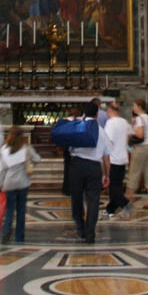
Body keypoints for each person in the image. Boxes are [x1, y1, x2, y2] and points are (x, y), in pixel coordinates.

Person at [66, 100, 111, 245]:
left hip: (77, 165)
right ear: (97, 115)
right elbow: (106, 157)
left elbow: (69, 148)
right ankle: (90, 234)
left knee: (76, 198)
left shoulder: (78, 126)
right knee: (93, 201)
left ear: (84, 113)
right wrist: (106, 175)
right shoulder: (101, 131)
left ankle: (80, 228)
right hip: (94, 167)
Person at [0, 126, 41, 243]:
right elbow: (37, 159)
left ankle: (6, 230)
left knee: (9, 209)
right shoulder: (26, 148)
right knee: (21, 210)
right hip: (23, 182)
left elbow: (1, 169)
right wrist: (30, 165)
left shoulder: (4, 149)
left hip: (9, 182)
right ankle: (19, 237)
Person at [101, 101, 131, 219]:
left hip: (113, 159)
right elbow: (129, 136)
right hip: (123, 158)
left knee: (113, 190)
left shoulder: (110, 123)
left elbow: (109, 142)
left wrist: (104, 158)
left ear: (110, 111)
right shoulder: (124, 122)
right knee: (117, 187)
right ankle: (110, 210)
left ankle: (126, 204)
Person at [126, 98, 148, 211]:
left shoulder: (139, 119)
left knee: (134, 173)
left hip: (141, 148)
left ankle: (128, 201)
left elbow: (140, 134)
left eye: (134, 105)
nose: (133, 108)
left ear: (139, 107)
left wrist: (132, 129)